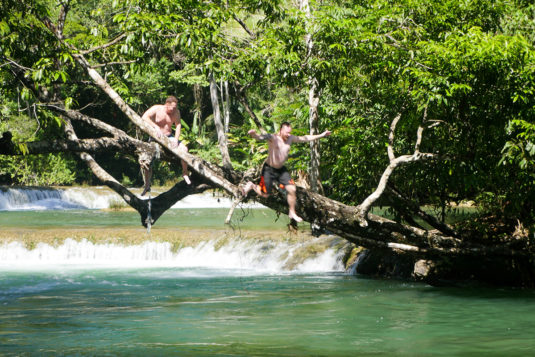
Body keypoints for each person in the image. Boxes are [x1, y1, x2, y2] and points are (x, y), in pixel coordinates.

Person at [242, 122, 331, 222]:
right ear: (280, 130)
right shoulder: (273, 137)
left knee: (292, 189)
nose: (288, 135)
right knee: (265, 194)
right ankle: (251, 186)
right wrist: (253, 134)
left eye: (290, 132)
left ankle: (292, 212)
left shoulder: (291, 138)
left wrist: (321, 135)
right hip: (269, 169)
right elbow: (260, 137)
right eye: (286, 133)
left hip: (281, 170)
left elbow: (305, 138)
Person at [140, 96, 190, 196]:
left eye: (175, 108)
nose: (173, 110)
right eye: (172, 108)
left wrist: (176, 139)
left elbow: (178, 125)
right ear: (166, 105)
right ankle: (147, 184)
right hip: (155, 137)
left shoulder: (176, 112)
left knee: (185, 149)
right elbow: (144, 117)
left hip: (169, 137)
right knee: (147, 160)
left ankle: (185, 173)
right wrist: (156, 126)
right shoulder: (157, 108)